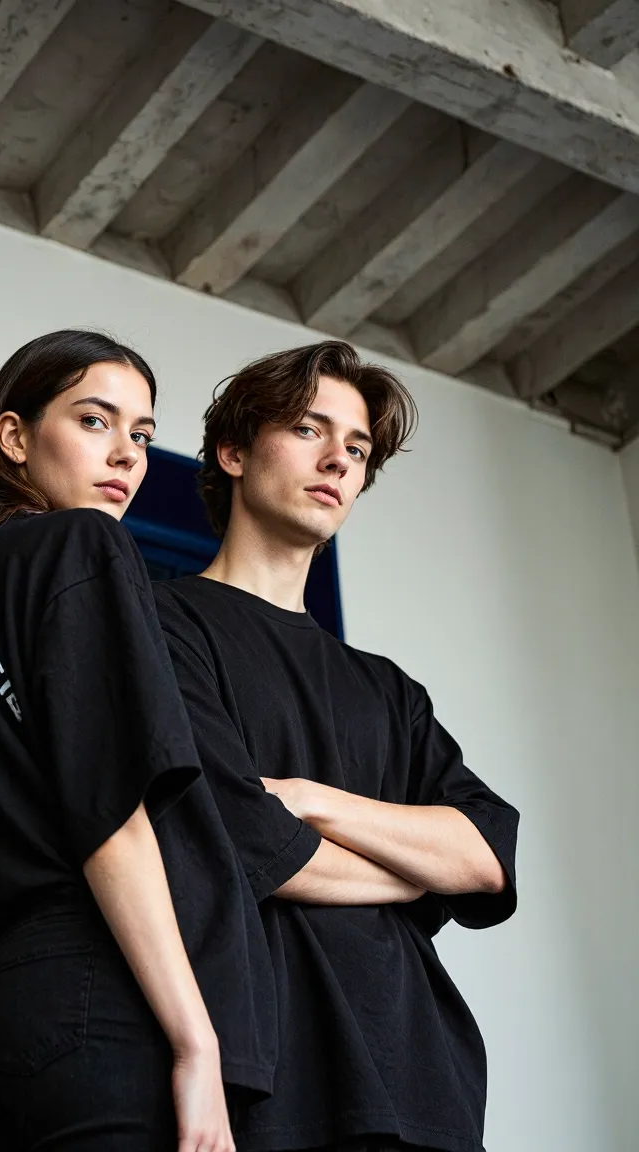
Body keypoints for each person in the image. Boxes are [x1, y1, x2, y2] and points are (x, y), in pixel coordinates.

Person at [0, 330, 239, 1152]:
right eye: (95, 421)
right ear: (15, 437)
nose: (128, 457)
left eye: (141, 435)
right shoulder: (80, 546)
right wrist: (196, 1041)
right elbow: (110, 816)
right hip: (93, 987)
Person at [153, 340, 519, 1152]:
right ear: (235, 451)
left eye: (356, 448)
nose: (339, 461)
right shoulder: (159, 625)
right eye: (310, 430)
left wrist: (313, 800)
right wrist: (415, 878)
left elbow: (489, 855)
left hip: (424, 1075)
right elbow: (240, 842)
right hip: (269, 1076)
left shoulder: (388, 689)